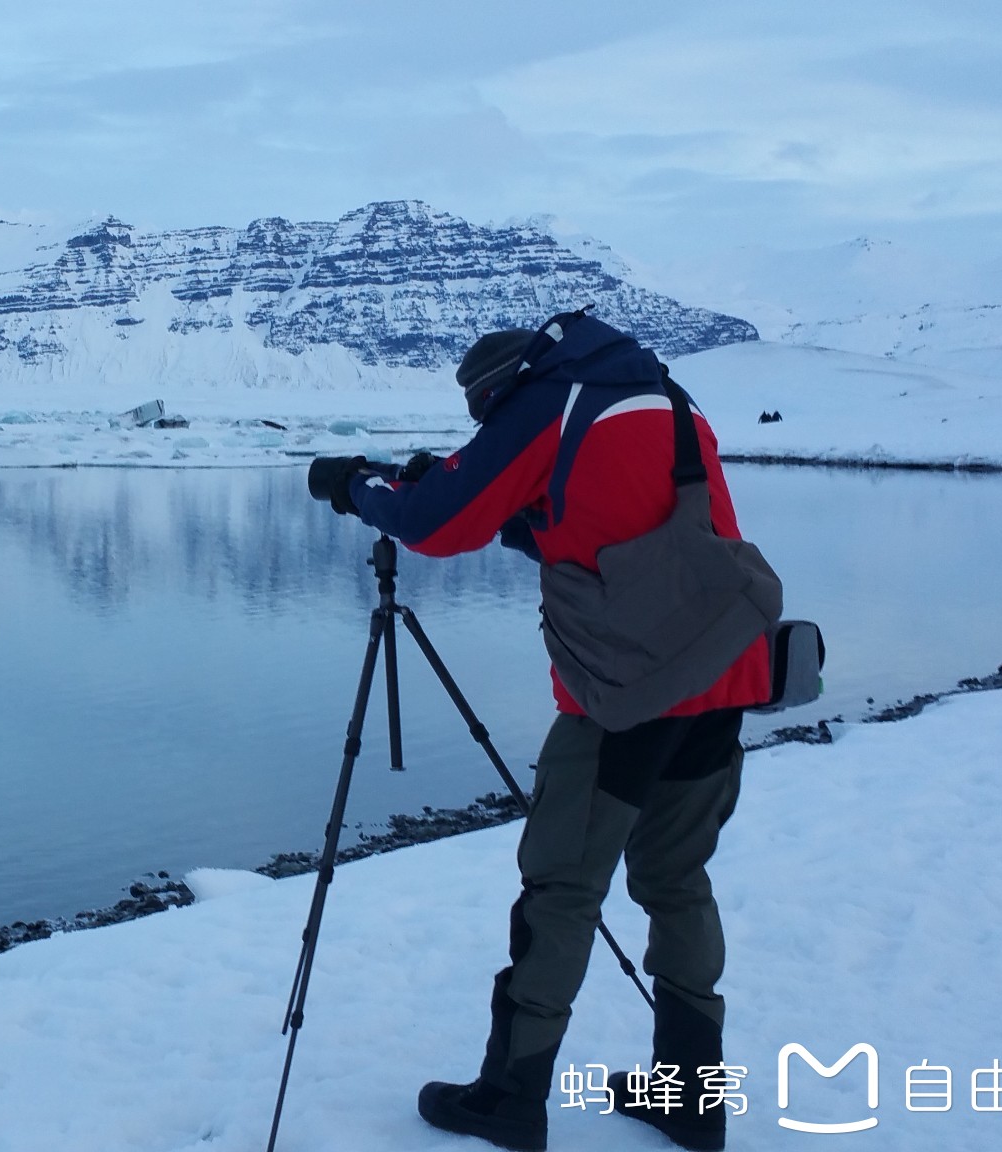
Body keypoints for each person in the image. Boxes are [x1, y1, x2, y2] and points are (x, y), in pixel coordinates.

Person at [307, 312, 769, 1152]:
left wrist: (359, 490)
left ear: (498, 391)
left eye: (484, 416)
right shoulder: (668, 398)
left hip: (627, 698)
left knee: (560, 889)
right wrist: (491, 496)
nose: (487, 428)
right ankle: (694, 1097)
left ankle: (509, 1097)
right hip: (727, 671)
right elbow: (613, 530)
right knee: (677, 879)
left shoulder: (544, 406)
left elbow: (436, 526)